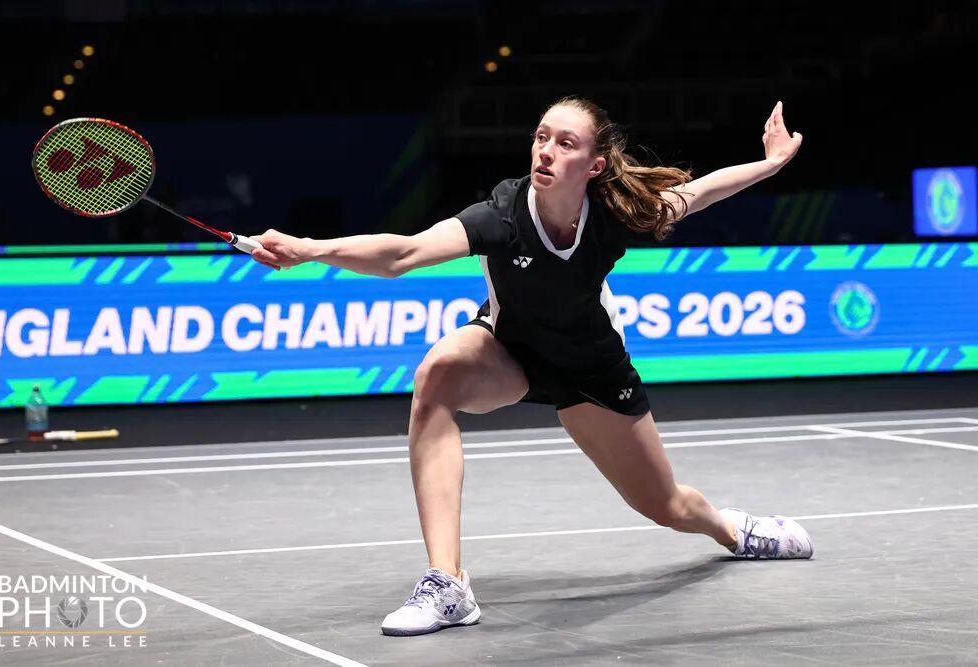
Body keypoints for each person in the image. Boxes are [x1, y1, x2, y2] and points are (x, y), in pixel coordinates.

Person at [249, 97, 811, 637]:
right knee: (437, 376)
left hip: (590, 371)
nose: (545, 150)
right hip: (509, 352)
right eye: (541, 137)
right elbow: (404, 254)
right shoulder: (503, 215)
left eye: (565, 143)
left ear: (594, 165)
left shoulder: (615, 213)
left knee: (666, 506)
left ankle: (734, 529)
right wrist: (309, 249)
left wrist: (770, 164)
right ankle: (447, 583)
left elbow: (699, 192)